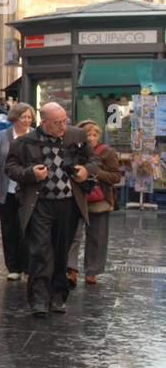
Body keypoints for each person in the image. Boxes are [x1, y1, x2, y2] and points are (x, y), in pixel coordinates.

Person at [4, 102, 94, 317]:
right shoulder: (25, 142)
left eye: (64, 121)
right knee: (40, 252)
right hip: (40, 204)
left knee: (62, 252)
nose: (62, 126)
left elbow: (94, 160)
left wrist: (85, 171)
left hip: (68, 204)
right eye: (56, 123)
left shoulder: (77, 136)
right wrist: (31, 173)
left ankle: (58, 297)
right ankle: (38, 300)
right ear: (43, 122)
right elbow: (10, 168)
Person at [66, 120, 121, 285]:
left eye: (94, 135)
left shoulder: (107, 152)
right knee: (73, 235)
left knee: (97, 236)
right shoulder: (73, 151)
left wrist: (95, 172)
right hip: (76, 197)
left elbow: (116, 176)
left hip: (99, 199)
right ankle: (71, 269)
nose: (91, 138)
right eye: (87, 135)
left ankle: (92, 271)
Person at [0, 101, 35, 280]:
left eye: (29, 117)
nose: (27, 121)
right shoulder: (2, 137)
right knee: (9, 229)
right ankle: (13, 267)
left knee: (29, 229)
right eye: (23, 117)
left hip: (29, 191)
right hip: (7, 191)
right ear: (15, 117)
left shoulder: (35, 136)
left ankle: (29, 267)